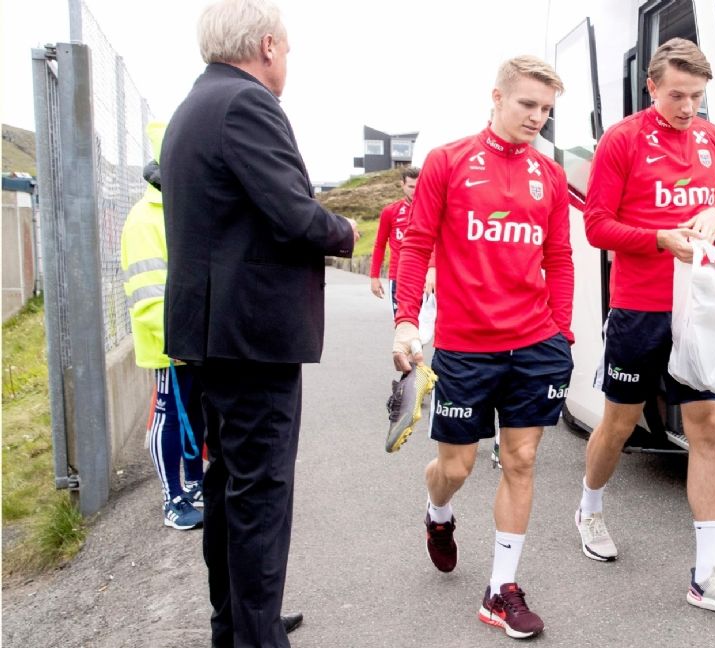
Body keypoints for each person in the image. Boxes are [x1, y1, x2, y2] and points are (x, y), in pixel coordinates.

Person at [161, 0, 357, 645]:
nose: (288, 59)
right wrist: (346, 229)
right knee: (260, 495)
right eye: (287, 47)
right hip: (250, 338)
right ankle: (255, 637)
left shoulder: (197, 104)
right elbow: (295, 215)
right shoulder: (247, 103)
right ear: (268, 45)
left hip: (215, 334)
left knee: (229, 485)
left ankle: (241, 622)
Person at [575, 37, 715, 617]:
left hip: (697, 308)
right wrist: (659, 239)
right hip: (639, 309)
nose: (688, 107)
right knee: (619, 424)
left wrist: (713, 216)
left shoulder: (712, 139)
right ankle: (590, 508)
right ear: (651, 86)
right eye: (677, 94)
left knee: (708, 429)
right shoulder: (622, 139)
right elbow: (597, 226)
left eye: (697, 96)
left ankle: (708, 574)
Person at [392, 55, 573, 640]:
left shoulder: (549, 175)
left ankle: (501, 589)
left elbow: (559, 257)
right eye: (527, 104)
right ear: (496, 98)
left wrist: (563, 331)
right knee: (457, 466)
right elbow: (416, 245)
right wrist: (405, 320)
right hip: (465, 349)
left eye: (546, 110)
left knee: (521, 460)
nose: (537, 118)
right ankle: (438, 514)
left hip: (536, 344)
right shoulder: (448, 162)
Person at [120, 120, 205, 532]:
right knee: (170, 415)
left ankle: (196, 483)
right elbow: (148, 292)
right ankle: (173, 499)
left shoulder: (184, 208)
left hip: (196, 336)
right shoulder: (144, 220)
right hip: (169, 342)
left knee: (195, 412)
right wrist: (174, 339)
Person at [369, 166, 423, 315]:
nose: (415, 191)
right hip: (399, 277)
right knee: (403, 323)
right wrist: (374, 277)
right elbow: (380, 245)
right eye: (411, 187)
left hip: (426, 277)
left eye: (418, 186)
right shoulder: (390, 211)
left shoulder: (431, 209)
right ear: (402, 185)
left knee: (427, 326)